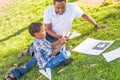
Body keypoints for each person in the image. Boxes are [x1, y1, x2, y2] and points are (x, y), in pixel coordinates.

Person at [3, 0, 107, 80]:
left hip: (58, 39)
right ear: (54, 5)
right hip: (49, 36)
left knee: (47, 51)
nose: (60, 10)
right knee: (35, 59)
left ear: (66, 3)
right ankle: (13, 74)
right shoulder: (48, 11)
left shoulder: (73, 8)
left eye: (63, 8)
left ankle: (33, 51)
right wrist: (60, 40)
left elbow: (84, 15)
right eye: (57, 8)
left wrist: (96, 25)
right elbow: (47, 29)